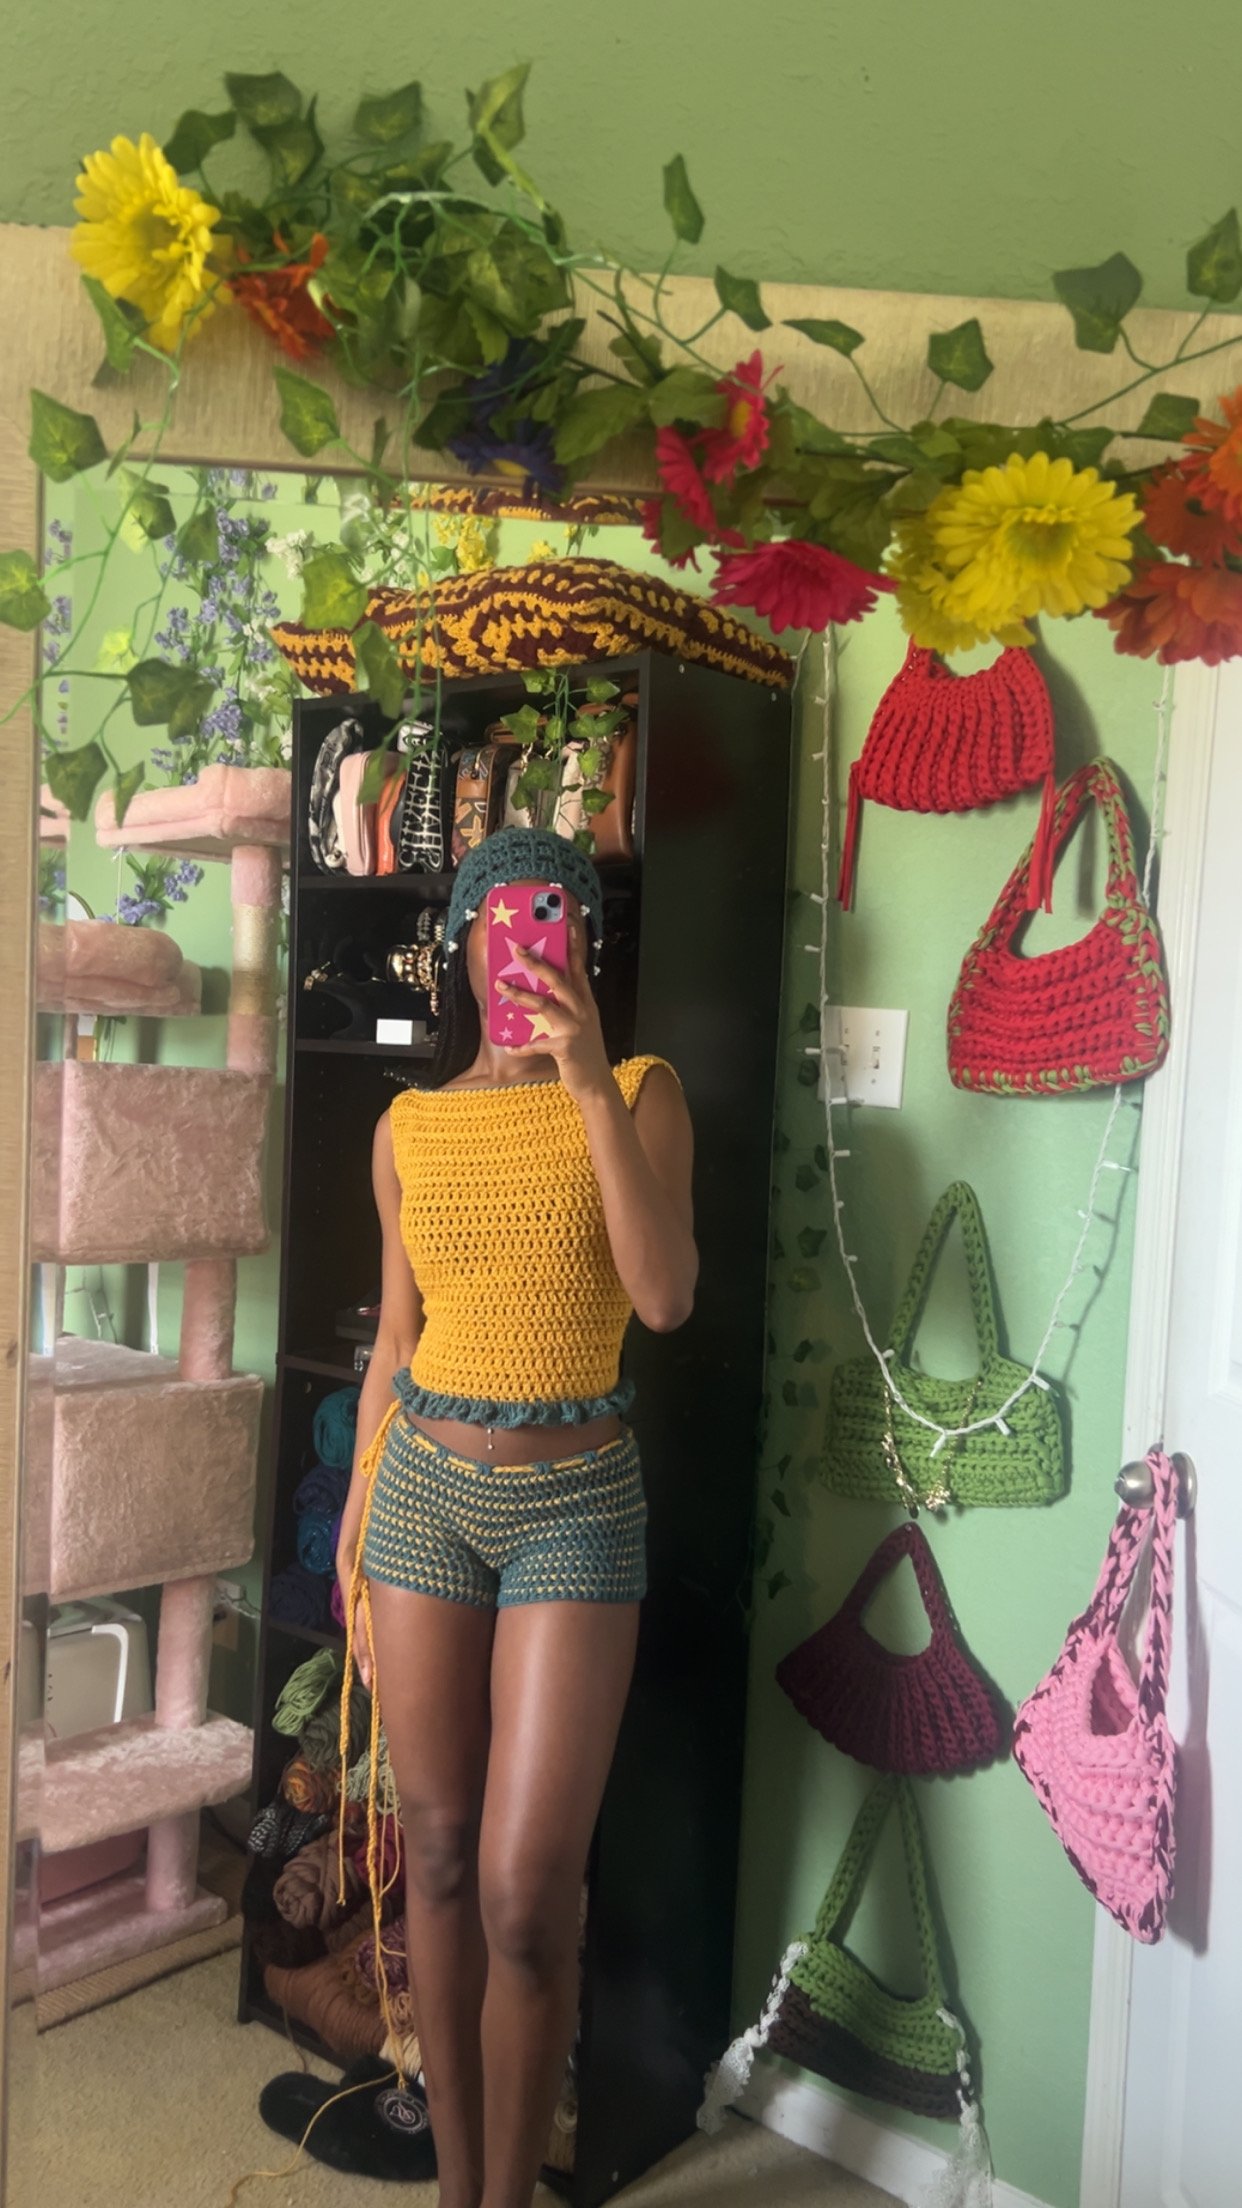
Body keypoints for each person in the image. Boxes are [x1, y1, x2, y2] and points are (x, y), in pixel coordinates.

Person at [335, 825, 697, 2208]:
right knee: (432, 1850)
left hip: (576, 1509)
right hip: (421, 1493)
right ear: (462, 949)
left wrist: (588, 1078)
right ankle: (458, 2192)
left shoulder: (643, 1093)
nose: (520, 946)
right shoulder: (407, 1128)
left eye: (549, 919)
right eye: (494, 922)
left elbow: (662, 1297)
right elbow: (396, 1339)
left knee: (526, 1896)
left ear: (581, 942)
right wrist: (356, 1512)